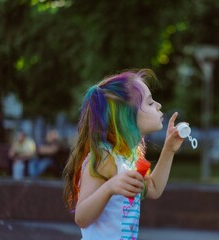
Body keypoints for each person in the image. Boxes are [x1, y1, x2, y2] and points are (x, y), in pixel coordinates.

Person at [62, 69, 185, 240]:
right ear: (126, 115)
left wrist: (169, 149)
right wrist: (109, 188)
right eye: (149, 103)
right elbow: (81, 218)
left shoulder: (129, 157)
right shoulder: (104, 158)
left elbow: (154, 189)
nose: (159, 105)